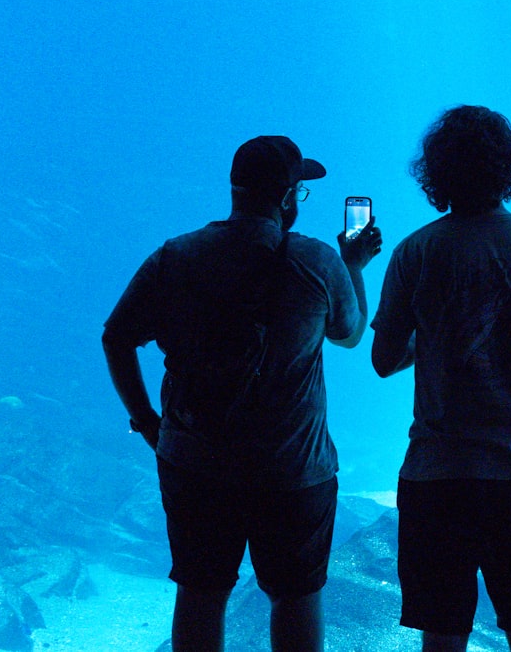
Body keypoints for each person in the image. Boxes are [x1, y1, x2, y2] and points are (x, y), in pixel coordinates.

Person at [102, 135, 382, 652]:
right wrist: (355, 268)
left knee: (200, 593)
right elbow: (350, 334)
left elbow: (115, 336)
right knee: (295, 596)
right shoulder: (319, 262)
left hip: (194, 463)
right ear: (287, 197)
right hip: (294, 470)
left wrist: (146, 421)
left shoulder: (177, 256)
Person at [370, 106, 511, 652]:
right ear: (508, 168)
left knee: (443, 633)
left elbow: (382, 358)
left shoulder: (415, 251)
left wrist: (443, 339)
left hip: (438, 473)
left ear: (436, 172)